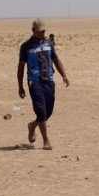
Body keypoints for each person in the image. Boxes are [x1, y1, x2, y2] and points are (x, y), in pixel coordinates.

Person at [17, 19, 69, 150]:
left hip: (49, 80)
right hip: (34, 82)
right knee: (41, 111)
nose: (43, 33)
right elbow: (21, 67)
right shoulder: (26, 47)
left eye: (44, 31)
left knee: (48, 112)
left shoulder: (48, 43)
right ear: (33, 31)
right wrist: (20, 86)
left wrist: (64, 75)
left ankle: (32, 125)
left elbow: (56, 60)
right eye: (40, 31)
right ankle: (46, 140)